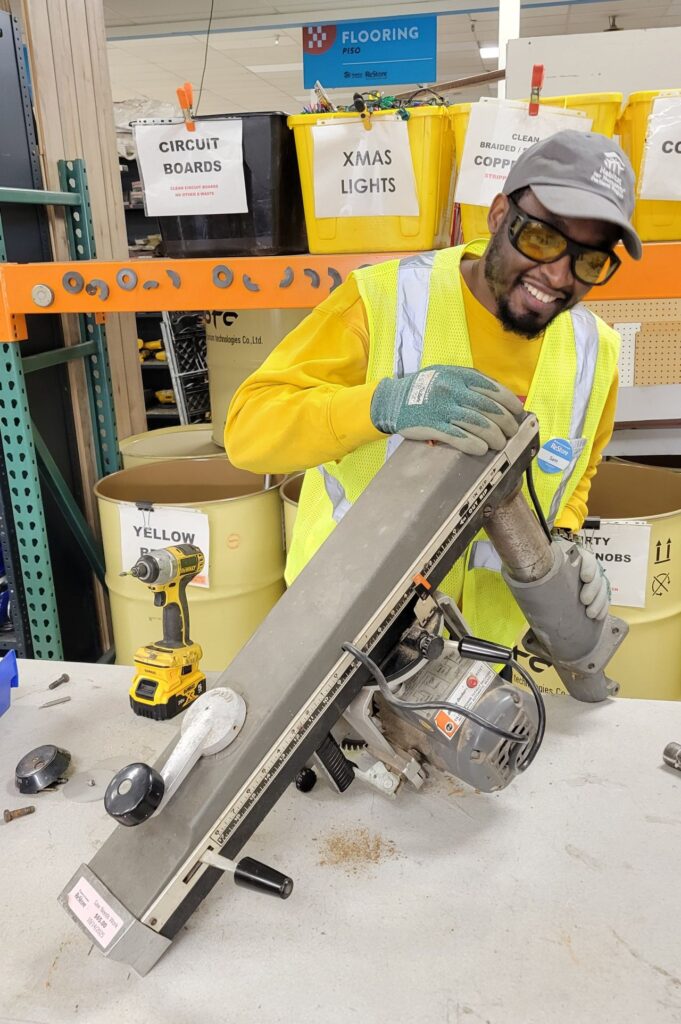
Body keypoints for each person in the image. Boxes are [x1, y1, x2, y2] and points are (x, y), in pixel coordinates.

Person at [226, 130, 642, 649]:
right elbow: (248, 433)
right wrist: (383, 405)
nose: (557, 275)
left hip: (486, 664)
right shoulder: (383, 300)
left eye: (589, 260)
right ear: (497, 216)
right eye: (541, 237)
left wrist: (563, 549)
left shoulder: (595, 352)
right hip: (343, 650)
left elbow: (578, 474)